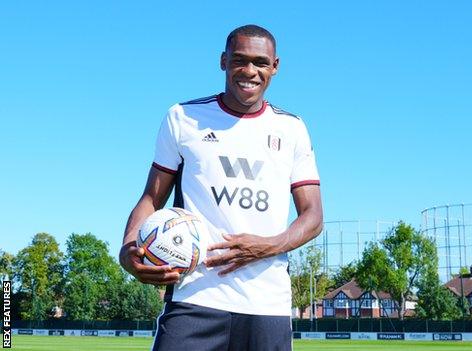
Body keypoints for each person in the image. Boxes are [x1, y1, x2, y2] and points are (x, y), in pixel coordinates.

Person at [118, 24, 323, 351]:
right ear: (223, 61)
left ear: (275, 67)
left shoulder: (292, 129)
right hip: (195, 295)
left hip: (265, 304)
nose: (250, 71)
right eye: (240, 60)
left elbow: (313, 217)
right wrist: (128, 248)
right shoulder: (183, 117)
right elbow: (151, 198)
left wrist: (269, 246)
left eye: (260, 62)